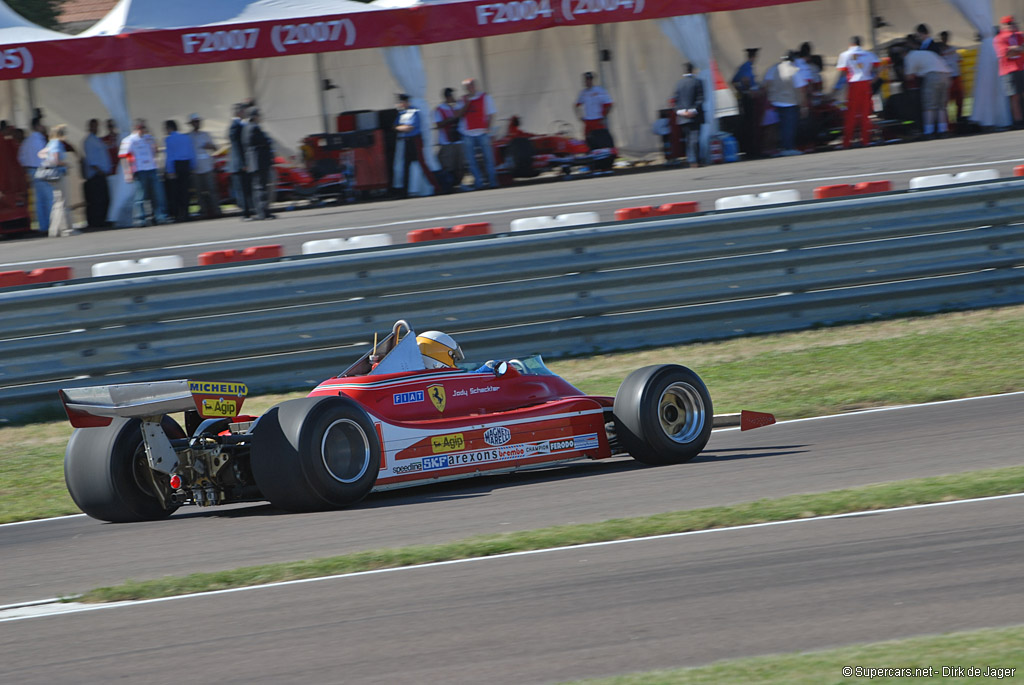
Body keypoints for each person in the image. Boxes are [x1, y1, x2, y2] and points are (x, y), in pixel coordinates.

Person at [119, 118, 169, 227]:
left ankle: (160, 216)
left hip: (151, 168)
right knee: (140, 196)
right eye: (140, 128)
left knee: (157, 193)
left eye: (143, 128)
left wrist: (151, 136)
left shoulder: (149, 138)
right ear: (136, 128)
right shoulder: (129, 140)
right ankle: (140, 218)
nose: (142, 130)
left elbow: (156, 150)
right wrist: (128, 172)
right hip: (139, 170)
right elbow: (123, 157)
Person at [836, 36, 880, 148]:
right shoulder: (869, 54)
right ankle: (866, 140)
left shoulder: (844, 55)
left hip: (853, 85)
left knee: (851, 114)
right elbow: (878, 69)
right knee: (865, 113)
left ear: (851, 44)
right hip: (865, 83)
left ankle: (847, 142)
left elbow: (842, 74)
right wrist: (873, 79)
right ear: (860, 44)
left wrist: (836, 89)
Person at [904, 37, 952, 137]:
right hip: (946, 75)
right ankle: (943, 129)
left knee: (929, 105)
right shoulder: (926, 53)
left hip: (932, 76)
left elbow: (909, 77)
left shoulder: (909, 57)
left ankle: (928, 131)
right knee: (941, 105)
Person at [393, 93, 438, 198]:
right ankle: (403, 191)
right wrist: (400, 127)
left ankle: (437, 186)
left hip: (415, 140)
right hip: (407, 141)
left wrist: (400, 127)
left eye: (401, 102)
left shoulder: (414, 111)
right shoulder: (402, 113)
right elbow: (395, 126)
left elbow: (409, 127)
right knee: (405, 166)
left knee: (422, 164)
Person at [763, 52, 808, 156]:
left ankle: (780, 147)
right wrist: (803, 105)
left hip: (775, 102)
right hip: (790, 102)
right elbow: (801, 88)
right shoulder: (794, 70)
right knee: (789, 126)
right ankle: (788, 147)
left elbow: (767, 84)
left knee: (779, 127)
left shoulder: (773, 69)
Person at [38, 124, 78, 238]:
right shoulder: (57, 144)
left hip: (52, 176)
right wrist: (66, 163)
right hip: (59, 174)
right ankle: (67, 229)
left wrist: (47, 160)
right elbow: (56, 159)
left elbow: (41, 153)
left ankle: (54, 229)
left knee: (57, 203)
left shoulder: (50, 143)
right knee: (63, 202)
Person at [458, 78, 498, 190]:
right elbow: (459, 114)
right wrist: (467, 102)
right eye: (467, 87)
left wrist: (488, 129)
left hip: (482, 132)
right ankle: (479, 183)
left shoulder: (485, 97)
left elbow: (491, 114)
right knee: (471, 161)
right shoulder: (463, 100)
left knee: (488, 159)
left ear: (475, 86)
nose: (470, 88)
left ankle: (493, 182)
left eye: (471, 86)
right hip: (468, 134)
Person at [18, 116, 50, 234]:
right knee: (48, 198)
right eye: (41, 125)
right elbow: (47, 157)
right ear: (37, 126)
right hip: (42, 170)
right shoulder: (40, 140)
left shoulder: (27, 141)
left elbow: (21, 159)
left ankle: (43, 226)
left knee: (39, 200)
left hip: (31, 171)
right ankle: (50, 224)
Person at [242, 108, 275, 220]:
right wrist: (268, 141)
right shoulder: (254, 128)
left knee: (258, 187)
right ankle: (263, 212)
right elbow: (265, 141)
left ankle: (262, 211)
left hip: (254, 162)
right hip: (259, 161)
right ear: (254, 116)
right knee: (261, 187)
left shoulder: (246, 128)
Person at [671, 63, 705, 166]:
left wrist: (681, 112)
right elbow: (700, 99)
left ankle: (691, 159)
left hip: (683, 116)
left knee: (688, 139)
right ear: (693, 70)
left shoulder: (679, 84)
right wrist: (693, 110)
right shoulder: (697, 82)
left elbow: (674, 100)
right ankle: (695, 160)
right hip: (694, 115)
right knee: (695, 138)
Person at [187, 113, 220, 219]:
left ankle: (216, 210)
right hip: (196, 168)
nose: (197, 123)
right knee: (199, 192)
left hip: (207, 166)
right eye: (195, 122)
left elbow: (215, 148)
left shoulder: (206, 135)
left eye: (198, 121)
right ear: (191, 124)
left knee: (212, 190)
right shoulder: (188, 137)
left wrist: (210, 146)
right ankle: (204, 211)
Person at [731, 47, 762, 157]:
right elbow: (745, 80)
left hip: (745, 96)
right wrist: (747, 91)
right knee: (750, 124)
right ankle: (751, 150)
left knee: (748, 123)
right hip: (748, 98)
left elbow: (734, 81)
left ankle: (749, 148)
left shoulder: (744, 67)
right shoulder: (747, 67)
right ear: (753, 57)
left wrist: (740, 91)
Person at [994, 16, 1024, 128]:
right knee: (1014, 96)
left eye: (1012, 23)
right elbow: (1006, 53)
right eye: (1009, 23)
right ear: (1003, 26)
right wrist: (1019, 49)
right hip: (1008, 70)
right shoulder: (999, 38)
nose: (1011, 25)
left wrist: (1015, 49)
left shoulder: (1019, 35)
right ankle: (1018, 121)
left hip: (1021, 68)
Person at [163, 119, 195, 223]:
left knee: (175, 192)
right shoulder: (186, 137)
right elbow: (191, 152)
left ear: (169, 128)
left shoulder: (169, 139)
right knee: (185, 190)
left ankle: (178, 214)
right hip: (186, 164)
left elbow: (170, 156)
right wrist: (192, 165)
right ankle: (186, 213)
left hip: (176, 165)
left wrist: (170, 170)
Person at [434, 87, 464, 193]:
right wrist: (451, 120)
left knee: (460, 165)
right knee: (448, 166)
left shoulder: (456, 107)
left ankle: (459, 184)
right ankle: (449, 185)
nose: (453, 98)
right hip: (446, 142)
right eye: (451, 96)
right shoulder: (439, 109)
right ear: (447, 97)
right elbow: (438, 124)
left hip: (458, 140)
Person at [82, 118, 111, 228]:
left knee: (103, 199)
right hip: (96, 174)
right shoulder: (89, 141)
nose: (96, 128)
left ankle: (102, 219)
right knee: (97, 200)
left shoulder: (97, 140)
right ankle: (95, 222)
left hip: (101, 173)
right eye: (94, 126)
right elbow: (91, 160)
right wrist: (100, 171)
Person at [574, 71, 614, 151]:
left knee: (601, 139)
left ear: (592, 80)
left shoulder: (600, 90)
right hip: (588, 121)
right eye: (586, 80)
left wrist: (604, 117)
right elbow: (576, 105)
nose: (588, 81)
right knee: (588, 140)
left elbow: (609, 104)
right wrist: (580, 117)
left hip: (598, 120)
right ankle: (590, 154)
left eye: (589, 79)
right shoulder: (583, 93)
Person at [227, 102, 253, 219]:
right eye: (243, 111)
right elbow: (237, 146)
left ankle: (248, 209)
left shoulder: (239, 124)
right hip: (239, 163)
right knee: (242, 189)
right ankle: (245, 211)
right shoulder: (235, 125)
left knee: (245, 188)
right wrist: (243, 163)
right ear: (239, 112)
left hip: (240, 162)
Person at [939, 31, 963, 125]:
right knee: (946, 102)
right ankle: (947, 122)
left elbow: (959, 60)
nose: (945, 40)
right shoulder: (940, 52)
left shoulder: (953, 49)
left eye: (946, 37)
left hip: (956, 76)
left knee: (959, 99)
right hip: (947, 78)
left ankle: (959, 118)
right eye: (943, 38)